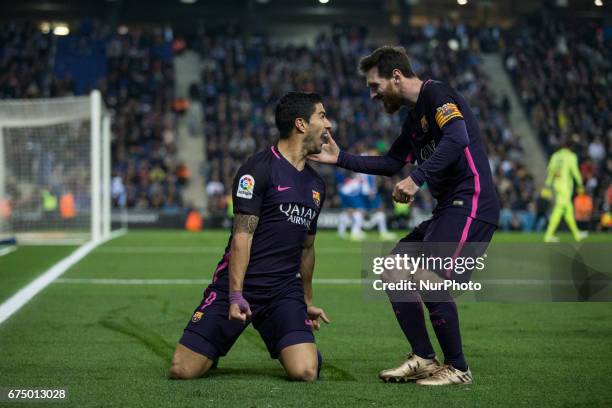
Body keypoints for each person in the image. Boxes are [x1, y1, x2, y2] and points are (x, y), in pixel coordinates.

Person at [310, 46, 500, 385]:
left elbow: (458, 137)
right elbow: (392, 163)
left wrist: (417, 178)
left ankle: (458, 367)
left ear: (396, 76)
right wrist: (341, 159)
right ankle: (425, 358)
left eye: (374, 85)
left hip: (472, 203)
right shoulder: (414, 121)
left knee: (430, 278)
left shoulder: (436, 93)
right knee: (393, 268)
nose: (372, 95)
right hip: (449, 208)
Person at [169, 92, 331, 381]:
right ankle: (211, 347)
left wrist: (306, 301)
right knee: (183, 370)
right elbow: (241, 238)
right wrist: (234, 295)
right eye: (322, 116)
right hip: (240, 286)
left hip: (283, 291)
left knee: (306, 371)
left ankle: (298, 341)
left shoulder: (316, 184)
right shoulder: (256, 171)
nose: (329, 124)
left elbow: (307, 248)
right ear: (301, 124)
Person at [542, 140, 588, 242]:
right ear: (570, 147)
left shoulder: (555, 156)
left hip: (557, 185)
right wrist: (580, 184)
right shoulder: (571, 156)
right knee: (559, 210)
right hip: (565, 186)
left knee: (568, 211)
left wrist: (548, 185)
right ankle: (548, 235)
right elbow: (575, 171)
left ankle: (576, 234)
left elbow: (551, 170)